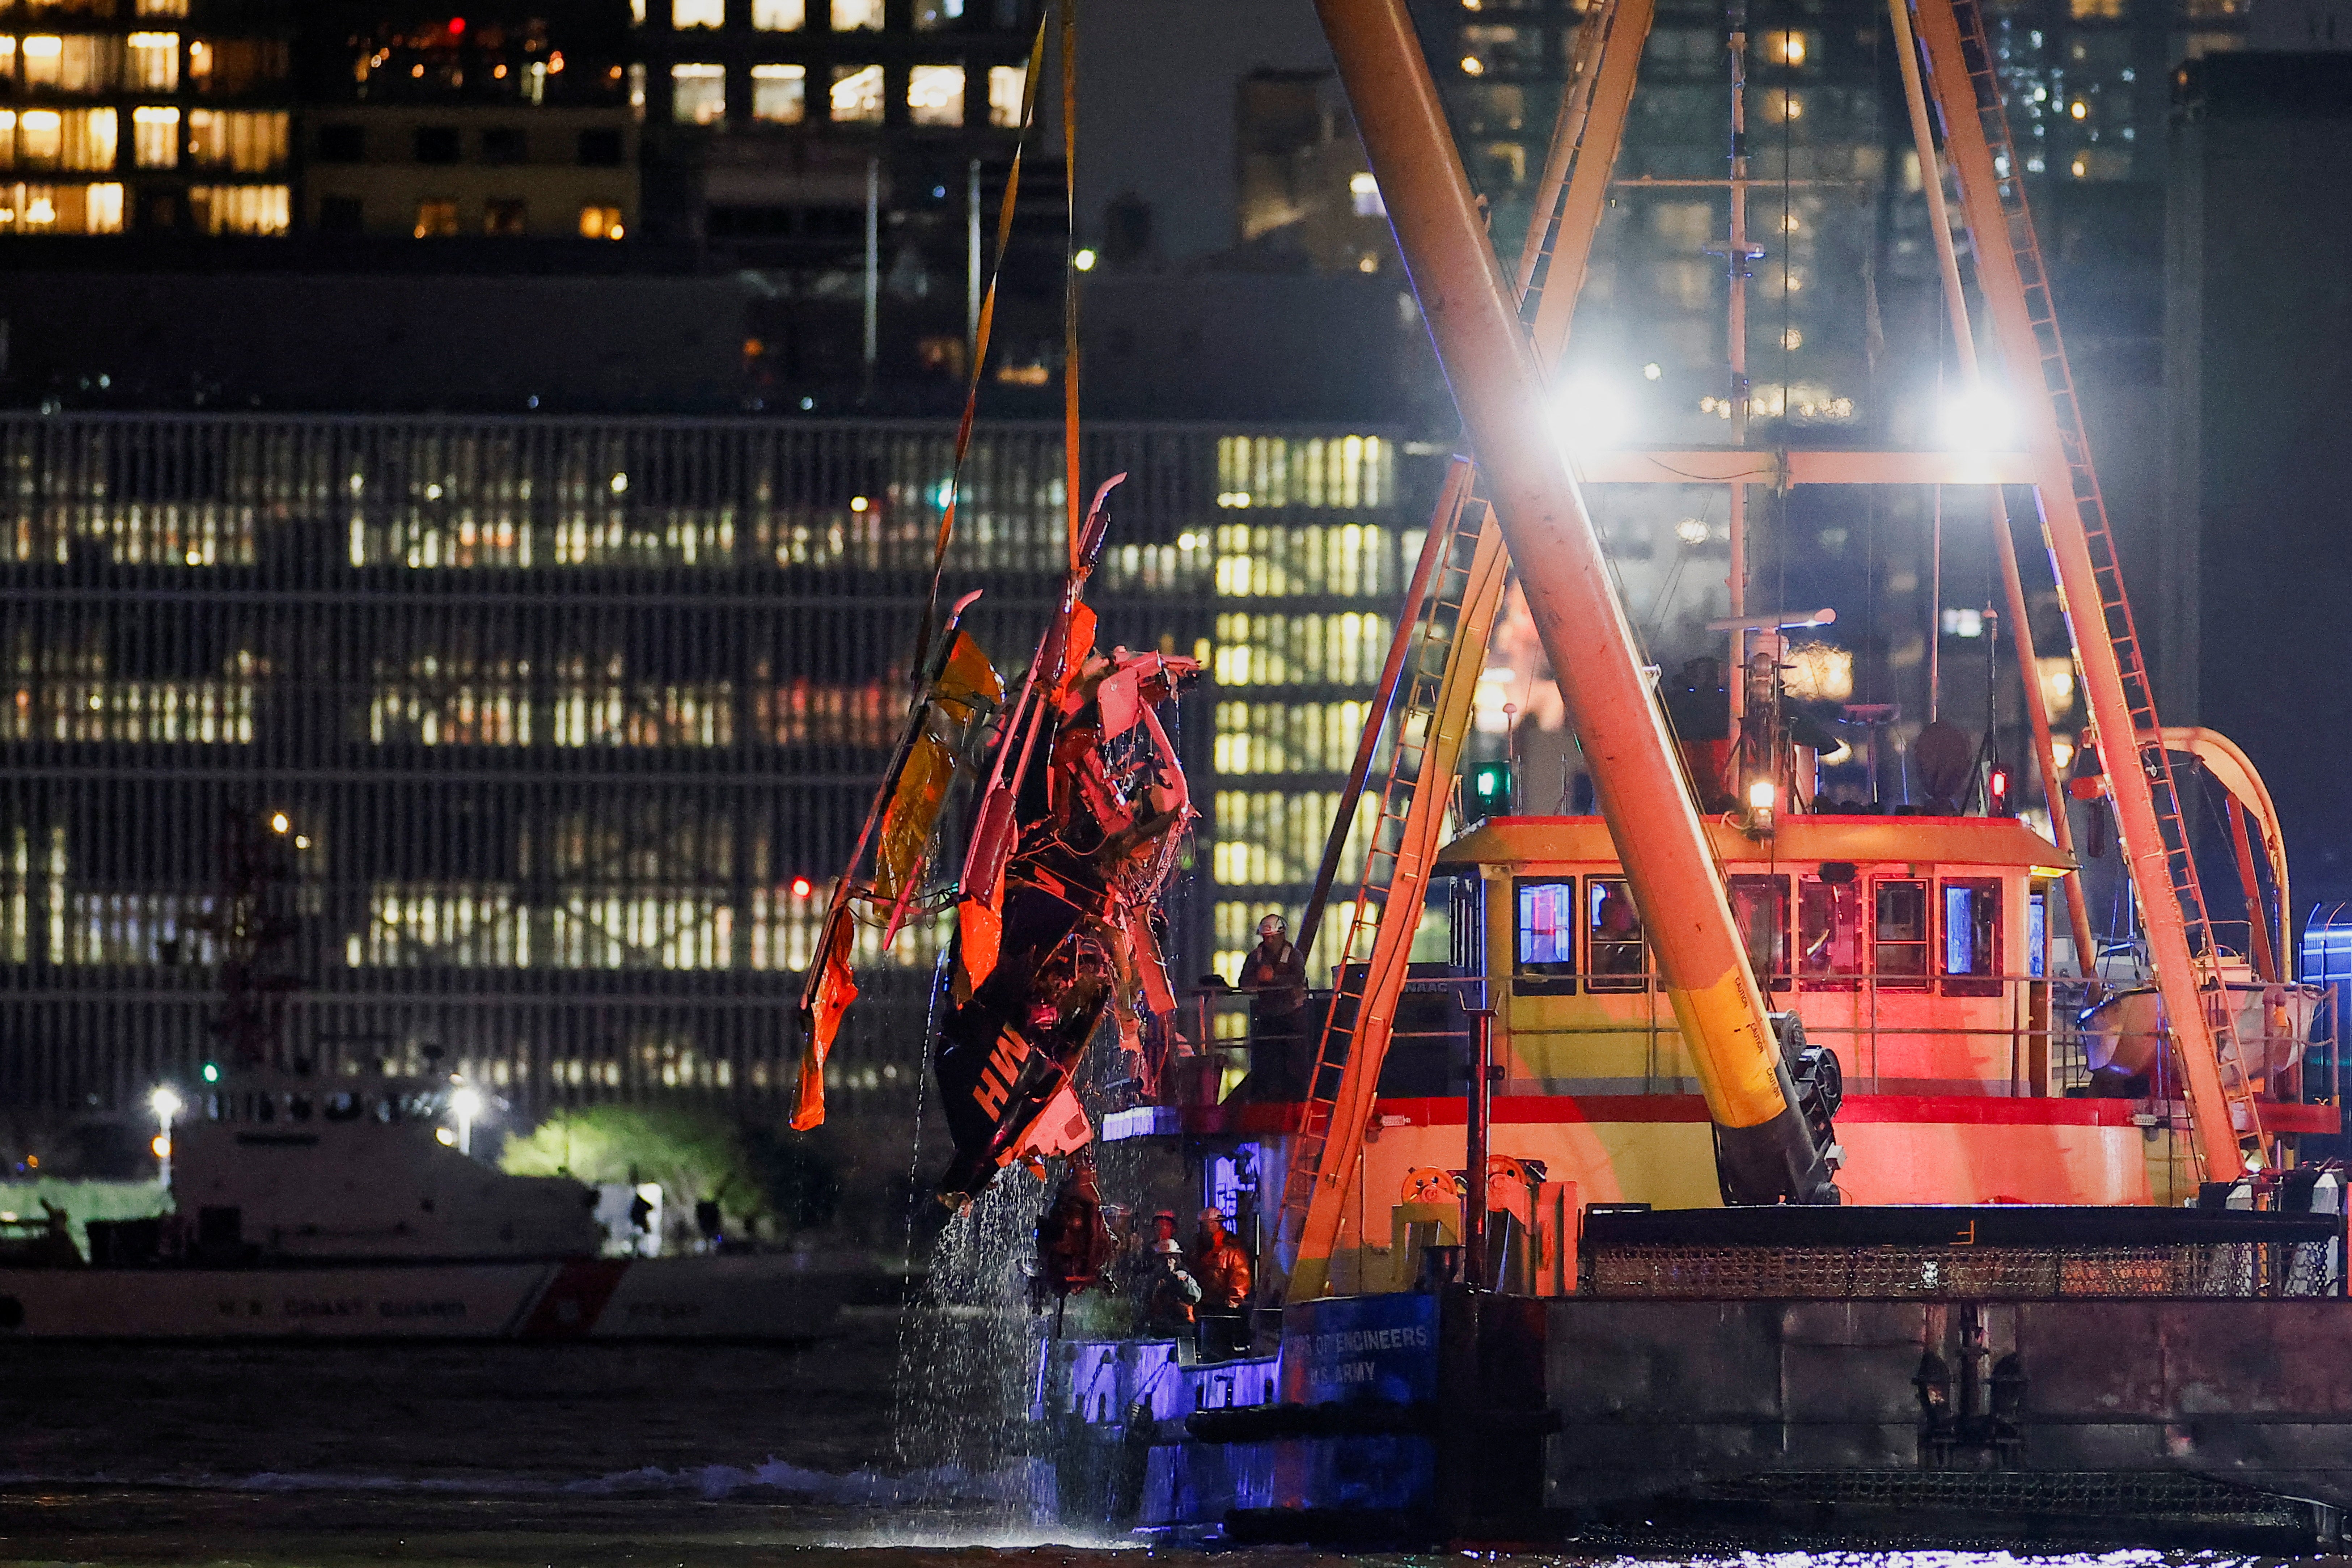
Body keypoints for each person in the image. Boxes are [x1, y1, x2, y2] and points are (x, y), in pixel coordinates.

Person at [1191, 1207, 1254, 1360]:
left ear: (1215, 1224)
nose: (1202, 1229)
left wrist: (1233, 1301)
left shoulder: (1232, 1250)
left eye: (1205, 1225)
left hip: (1226, 1311)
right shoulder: (1199, 1249)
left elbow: (1241, 1276)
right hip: (1205, 1308)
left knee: (1223, 1350)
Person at [1141, 1238, 1201, 1338]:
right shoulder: (1151, 1280)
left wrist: (1177, 1282)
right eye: (1164, 1259)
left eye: (1171, 1258)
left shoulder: (1184, 1277)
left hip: (1182, 1327)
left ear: (1177, 1260)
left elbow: (1194, 1297)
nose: (1168, 1263)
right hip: (1159, 1329)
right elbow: (1145, 1304)